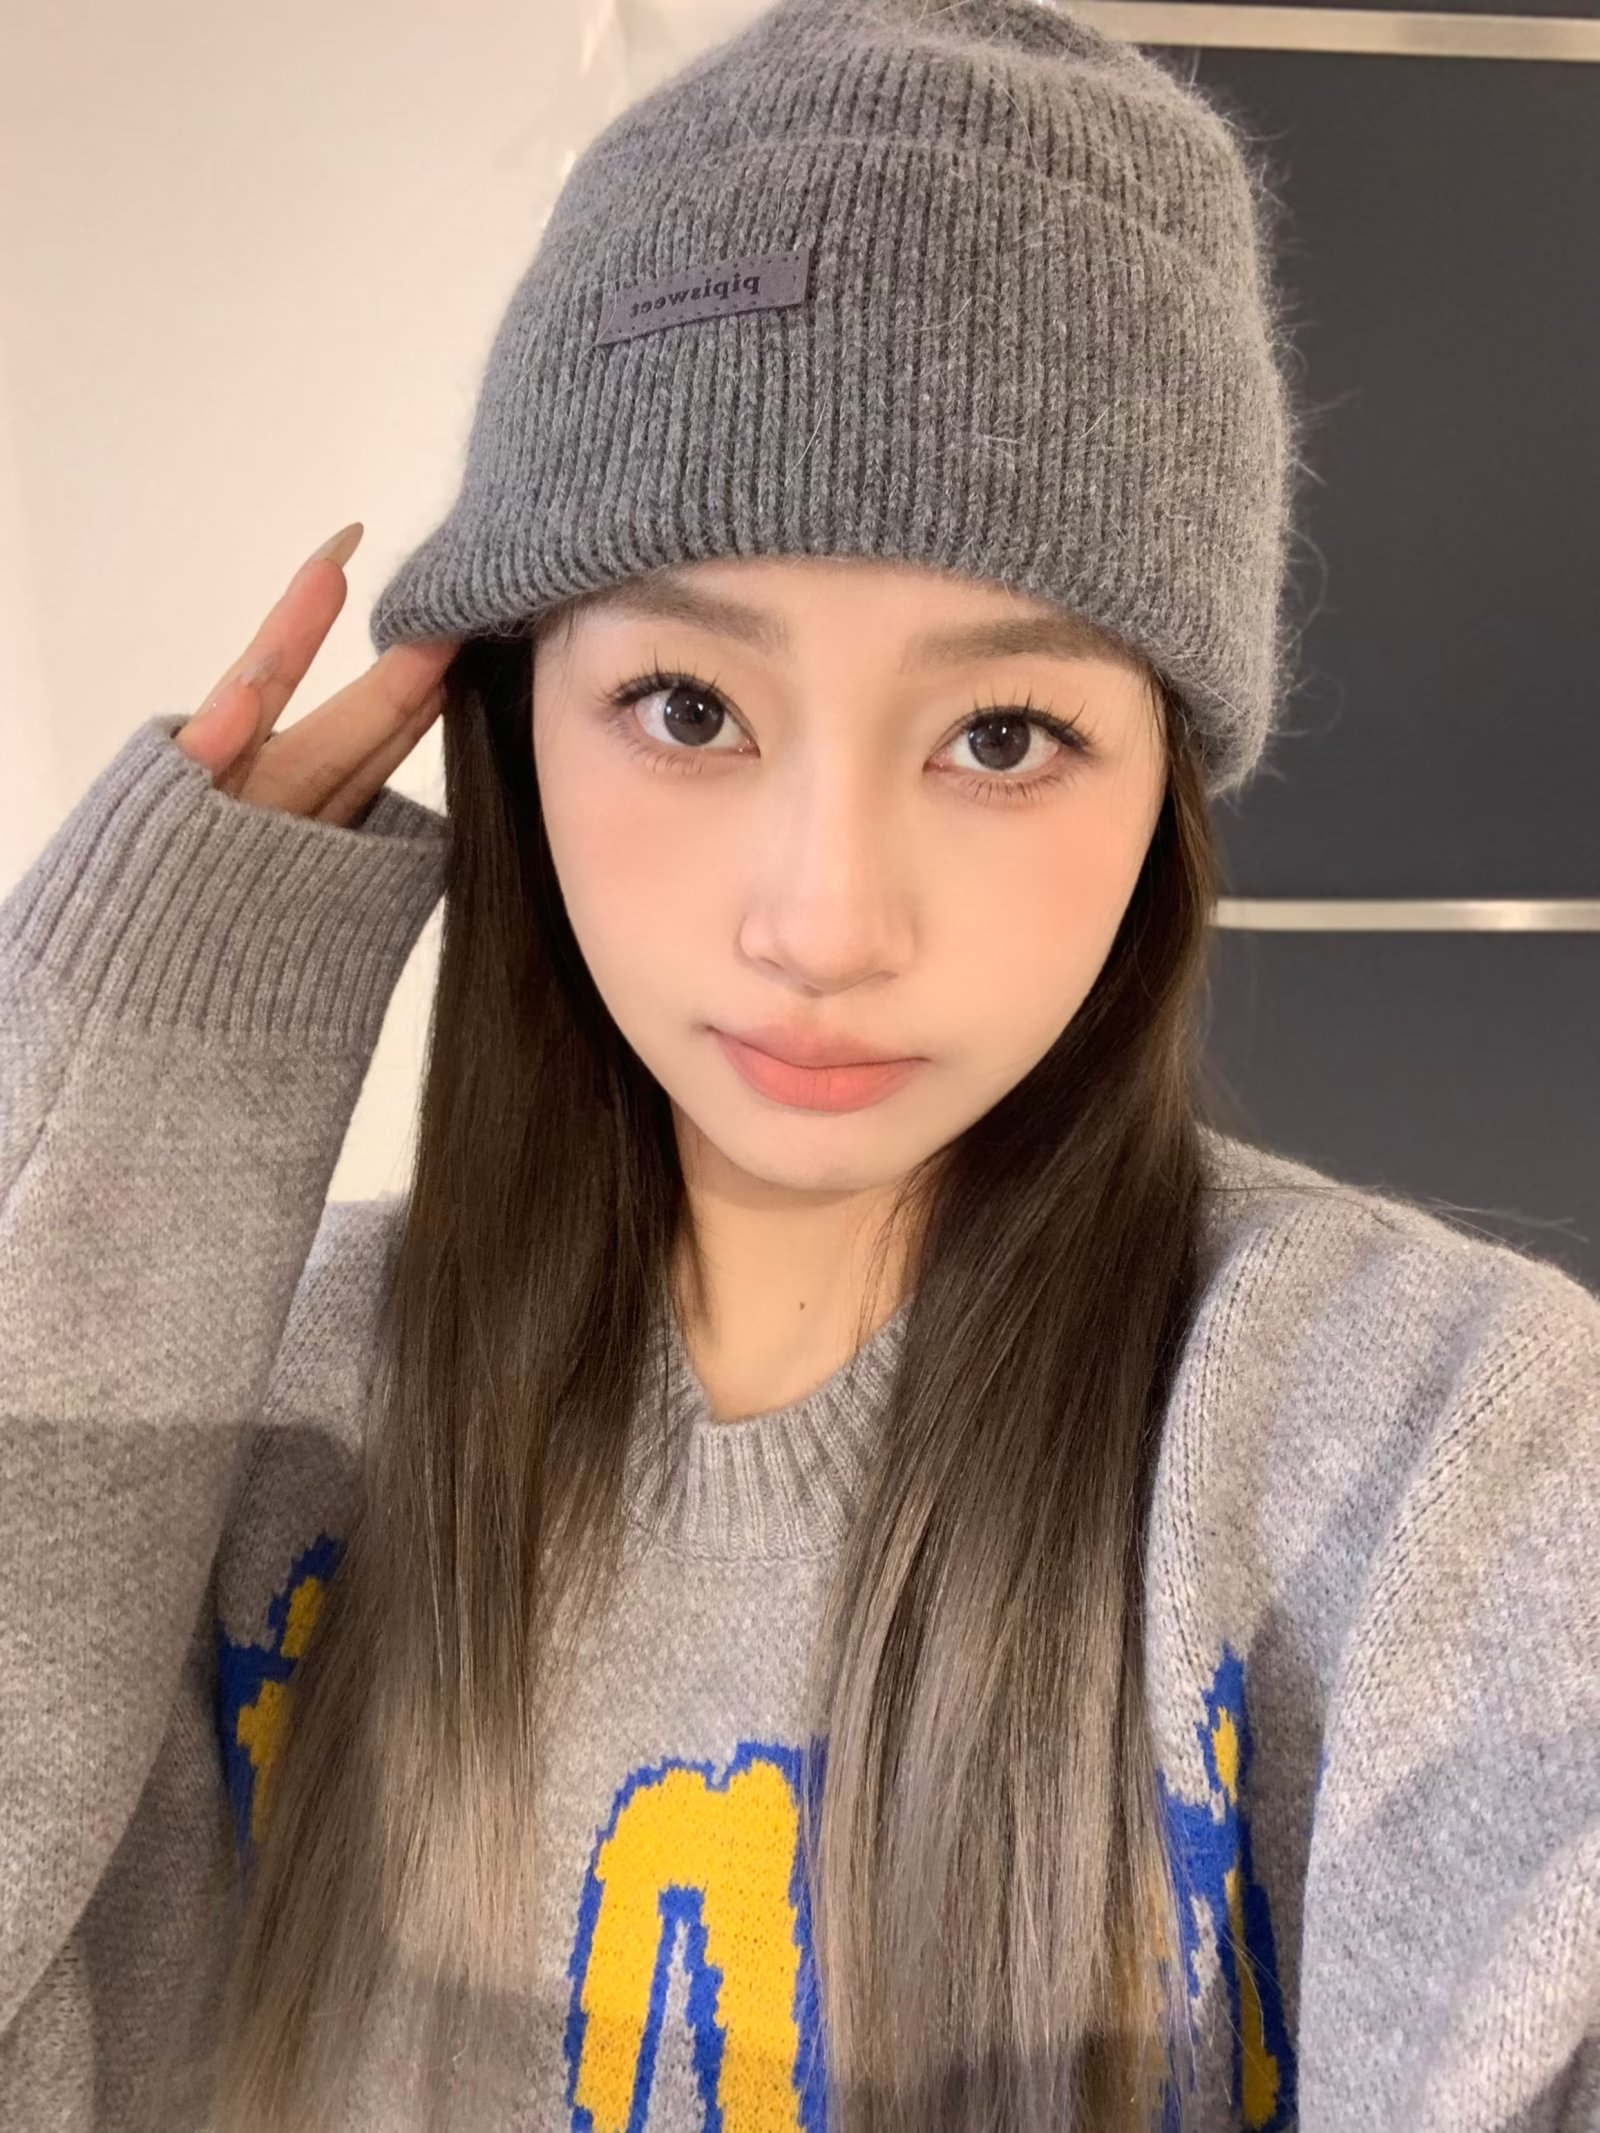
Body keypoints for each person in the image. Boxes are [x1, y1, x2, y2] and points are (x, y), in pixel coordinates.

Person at [2, 2, 1596, 2130]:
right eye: (688, 707)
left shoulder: (1423, 1467)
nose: (826, 921)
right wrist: (128, 1088)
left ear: (1163, 791)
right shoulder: (257, 1435)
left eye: (1003, 735)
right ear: (507, 719)